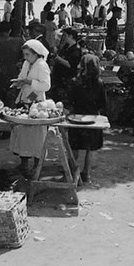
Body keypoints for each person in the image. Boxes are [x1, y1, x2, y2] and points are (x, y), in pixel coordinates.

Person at [9, 39, 51, 177]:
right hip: (26, 98)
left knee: (36, 136)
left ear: (36, 54)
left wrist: (28, 82)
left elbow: (45, 85)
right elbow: (22, 77)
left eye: (28, 54)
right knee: (23, 134)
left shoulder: (42, 65)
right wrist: (19, 82)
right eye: (24, 54)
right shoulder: (27, 64)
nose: (25, 57)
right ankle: (24, 163)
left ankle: (37, 164)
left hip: (36, 99)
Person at [67, 53, 106, 182]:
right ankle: (86, 173)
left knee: (74, 146)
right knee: (92, 147)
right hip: (93, 118)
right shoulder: (99, 83)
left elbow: (70, 100)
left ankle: (72, 172)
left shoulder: (75, 82)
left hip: (76, 118)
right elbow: (103, 103)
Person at [0, 21, 24, 107]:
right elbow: (23, 57)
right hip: (13, 73)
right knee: (12, 100)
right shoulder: (19, 41)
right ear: (10, 30)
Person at [51, 28, 81, 101]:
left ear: (71, 36)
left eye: (66, 36)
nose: (64, 37)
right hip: (59, 77)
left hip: (67, 78)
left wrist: (59, 59)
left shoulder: (76, 50)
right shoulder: (66, 46)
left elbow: (71, 65)